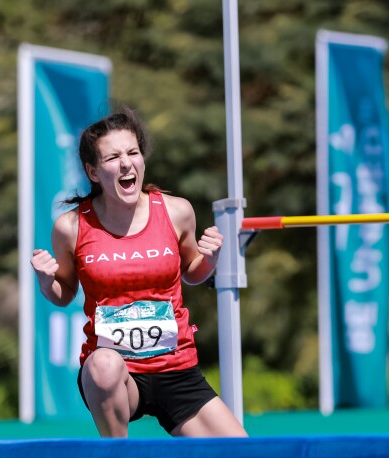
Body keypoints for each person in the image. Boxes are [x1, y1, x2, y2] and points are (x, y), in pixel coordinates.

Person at [30, 109, 247, 439]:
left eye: (132, 153)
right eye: (113, 157)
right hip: (116, 375)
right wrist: (47, 282)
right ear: (93, 171)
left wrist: (211, 259)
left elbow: (191, 272)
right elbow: (64, 294)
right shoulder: (71, 227)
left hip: (176, 367)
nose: (126, 163)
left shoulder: (177, 211)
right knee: (103, 365)